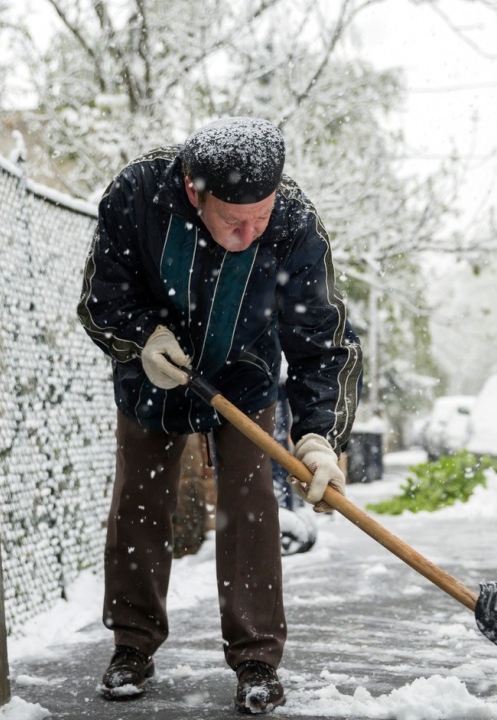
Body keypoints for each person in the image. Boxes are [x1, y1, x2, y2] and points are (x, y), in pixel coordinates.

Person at [76, 117, 363, 715]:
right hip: (156, 371)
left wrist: (319, 436)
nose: (251, 232)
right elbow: (102, 298)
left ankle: (256, 657)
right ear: (194, 190)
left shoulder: (294, 222)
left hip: (244, 374)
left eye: (261, 216)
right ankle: (132, 644)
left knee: (250, 502)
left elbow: (322, 341)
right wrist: (142, 338)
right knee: (139, 502)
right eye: (235, 220)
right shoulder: (137, 194)